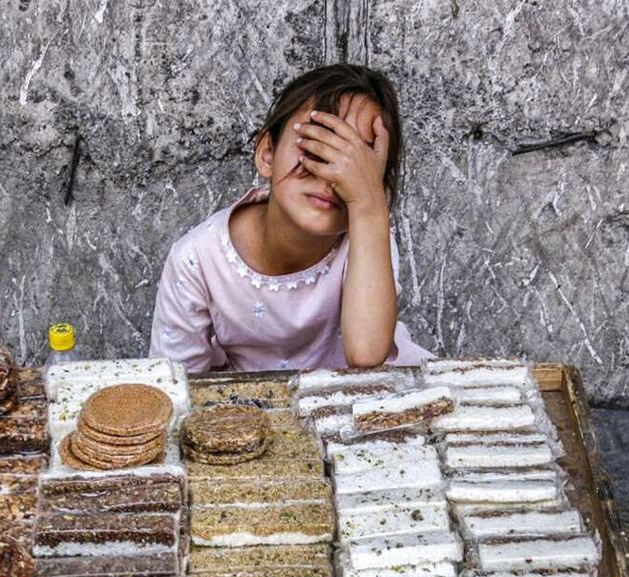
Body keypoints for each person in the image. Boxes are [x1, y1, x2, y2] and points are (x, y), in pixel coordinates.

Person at [148, 63, 433, 373]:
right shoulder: (198, 259)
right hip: (259, 412)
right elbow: (175, 388)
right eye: (317, 146)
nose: (331, 175)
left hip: (370, 402)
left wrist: (369, 206)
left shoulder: (367, 233)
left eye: (356, 163)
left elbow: (366, 356)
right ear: (267, 154)